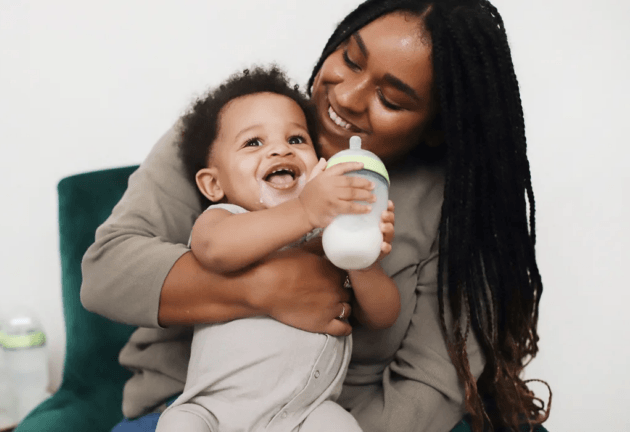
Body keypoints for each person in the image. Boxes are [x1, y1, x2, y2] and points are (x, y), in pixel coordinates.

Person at [81, 1, 550, 431]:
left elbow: (426, 384)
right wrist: (264, 290)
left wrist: (363, 264)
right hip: (192, 403)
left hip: (326, 416)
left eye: (392, 99)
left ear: (434, 127)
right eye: (350, 58)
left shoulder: (457, 209)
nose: (346, 97)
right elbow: (105, 274)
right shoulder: (233, 125)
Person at [154, 66, 399, 432]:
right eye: (254, 143)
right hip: (212, 413)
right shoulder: (225, 217)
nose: (280, 149)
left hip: (304, 415)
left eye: (297, 140)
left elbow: (382, 316)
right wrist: (304, 210)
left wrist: (363, 257)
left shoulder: (330, 236)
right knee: (177, 425)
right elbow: (215, 250)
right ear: (213, 184)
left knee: (340, 426)